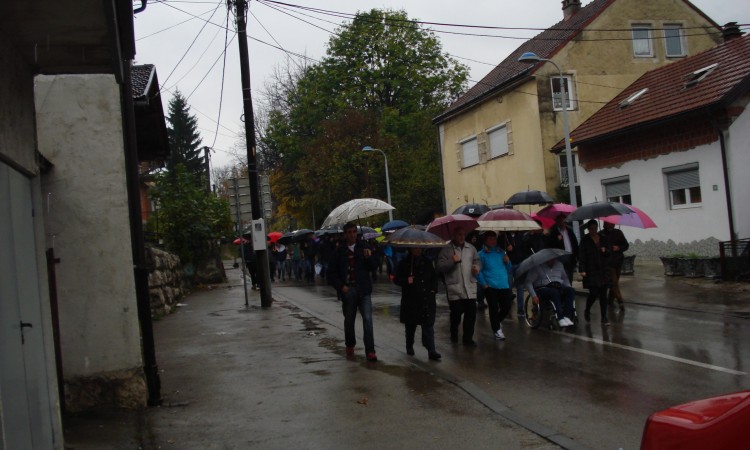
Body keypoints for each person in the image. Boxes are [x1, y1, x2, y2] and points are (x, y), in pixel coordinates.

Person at [327, 222, 380, 361]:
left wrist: (369, 257)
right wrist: (341, 287)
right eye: (349, 232)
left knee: (368, 320)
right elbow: (331, 273)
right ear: (345, 234)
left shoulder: (364, 247)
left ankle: (370, 350)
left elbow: (374, 266)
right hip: (348, 291)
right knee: (349, 320)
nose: (352, 235)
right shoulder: (339, 251)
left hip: (364, 290)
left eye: (354, 232)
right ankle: (350, 344)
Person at [393, 247, 441, 361]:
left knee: (428, 324)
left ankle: (431, 349)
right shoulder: (404, 263)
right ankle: (409, 345)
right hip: (411, 300)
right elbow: (396, 279)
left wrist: (433, 289)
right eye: (415, 248)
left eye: (419, 248)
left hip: (426, 299)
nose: (418, 250)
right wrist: (406, 280)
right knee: (410, 325)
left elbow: (434, 277)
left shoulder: (427, 262)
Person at [437, 227, 481, 346]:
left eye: (463, 234)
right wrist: (452, 261)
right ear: (454, 235)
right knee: (456, 313)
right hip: (454, 288)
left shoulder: (471, 248)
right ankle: (454, 332)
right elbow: (440, 267)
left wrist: (477, 268)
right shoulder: (446, 250)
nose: (462, 237)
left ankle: (468, 339)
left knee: (471, 314)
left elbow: (477, 261)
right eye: (459, 234)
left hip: (469, 286)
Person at [476, 231, 513, 340]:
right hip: (490, 285)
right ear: (485, 240)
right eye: (490, 239)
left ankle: (497, 321)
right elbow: (478, 271)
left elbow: (508, 268)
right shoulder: (481, 254)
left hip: (503, 284)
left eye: (494, 238)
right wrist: (484, 284)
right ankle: (497, 330)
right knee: (493, 308)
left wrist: (508, 261)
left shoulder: (501, 252)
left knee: (506, 306)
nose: (493, 241)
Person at [524, 258, 576, 327]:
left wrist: (568, 287)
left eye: (553, 259)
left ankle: (567, 316)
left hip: (558, 286)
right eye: (549, 260)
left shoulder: (559, 265)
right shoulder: (538, 267)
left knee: (570, 291)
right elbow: (528, 282)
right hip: (543, 288)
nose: (552, 261)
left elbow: (565, 278)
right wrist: (533, 295)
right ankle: (560, 317)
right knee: (554, 292)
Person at [579, 220, 611, 325]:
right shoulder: (585, 240)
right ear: (588, 229)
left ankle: (604, 317)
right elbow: (582, 256)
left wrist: (605, 250)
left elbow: (609, 252)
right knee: (593, 293)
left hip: (603, 270)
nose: (593, 230)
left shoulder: (603, 238)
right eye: (591, 228)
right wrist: (582, 269)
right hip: (592, 270)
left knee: (603, 294)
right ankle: (587, 309)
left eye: (595, 228)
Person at [599, 221, 629, 311]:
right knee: (614, 282)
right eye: (610, 223)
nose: (612, 224)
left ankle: (610, 299)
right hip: (608, 262)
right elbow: (598, 247)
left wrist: (619, 248)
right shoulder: (601, 234)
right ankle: (620, 301)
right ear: (605, 224)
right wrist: (602, 249)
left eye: (613, 223)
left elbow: (626, 245)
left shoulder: (618, 233)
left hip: (618, 261)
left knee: (614, 282)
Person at [546, 214, 579, 284]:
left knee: (569, 279)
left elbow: (575, 245)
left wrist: (576, 257)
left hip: (570, 259)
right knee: (561, 279)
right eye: (560, 221)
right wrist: (558, 240)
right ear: (557, 222)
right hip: (560, 260)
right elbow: (551, 246)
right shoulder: (554, 233)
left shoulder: (570, 231)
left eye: (563, 221)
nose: (562, 223)